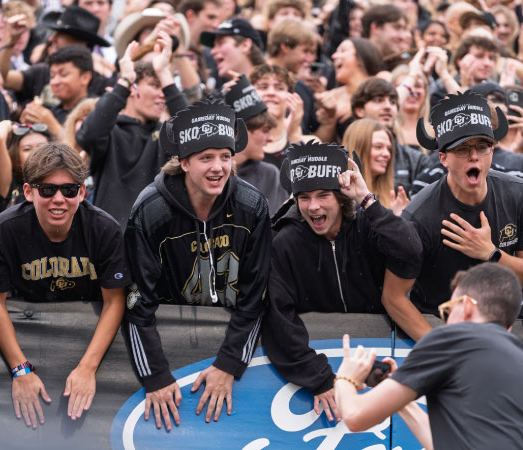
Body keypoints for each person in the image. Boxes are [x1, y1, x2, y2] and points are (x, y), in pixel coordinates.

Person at [123, 98, 271, 430]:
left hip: (233, 349)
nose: (218, 167)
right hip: (167, 345)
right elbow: (135, 302)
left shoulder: (252, 206)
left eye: (225, 157)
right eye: (206, 158)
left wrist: (230, 364)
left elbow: (256, 296)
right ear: (185, 163)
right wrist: (155, 376)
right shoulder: (150, 211)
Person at [261, 140, 423, 422]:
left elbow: (410, 250)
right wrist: (319, 378)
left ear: (340, 196)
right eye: (304, 198)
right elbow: (277, 317)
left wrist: (367, 200)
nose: (313, 207)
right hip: (319, 381)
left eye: (323, 195)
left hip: (382, 367)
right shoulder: (285, 242)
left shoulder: (366, 224)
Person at [334, 263, 523, 450]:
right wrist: (400, 401)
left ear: (466, 306)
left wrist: (346, 378)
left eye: (447, 311)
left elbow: (356, 417)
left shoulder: (455, 339)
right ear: (509, 327)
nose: (446, 322)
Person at [0, 142, 127, 429]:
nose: (58, 199)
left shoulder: (104, 229)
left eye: (69, 190)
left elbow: (116, 301)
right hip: (27, 328)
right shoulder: (4, 229)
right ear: (28, 192)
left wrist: (88, 368)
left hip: (89, 332)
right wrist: (20, 370)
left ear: (82, 193)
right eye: (47, 190)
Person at [402, 90, 523, 323]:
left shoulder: (518, 193)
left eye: (482, 146)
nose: (474, 156)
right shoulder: (418, 216)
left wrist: (491, 253)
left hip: (503, 325)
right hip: (439, 324)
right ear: (443, 158)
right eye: (462, 149)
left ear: (493, 151)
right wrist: (438, 343)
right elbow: (394, 297)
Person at [76, 34, 188, 228]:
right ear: (133, 89)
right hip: (114, 241)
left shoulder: (167, 134)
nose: (164, 95)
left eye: (165, 87)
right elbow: (89, 134)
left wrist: (164, 73)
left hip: (158, 242)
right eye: (155, 85)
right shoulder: (111, 132)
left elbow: (194, 132)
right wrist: (125, 80)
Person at [351, 77, 430, 196]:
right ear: (360, 110)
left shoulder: (417, 160)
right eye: (378, 100)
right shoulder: (339, 159)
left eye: (393, 102)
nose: (388, 106)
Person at [224, 73, 288, 214]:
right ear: (241, 131)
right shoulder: (212, 173)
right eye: (265, 130)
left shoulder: (269, 174)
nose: (270, 138)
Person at [342, 118, 408, 215]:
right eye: (378, 147)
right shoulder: (340, 195)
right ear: (359, 148)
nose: (387, 154)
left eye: (389, 149)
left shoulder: (395, 197)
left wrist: (399, 218)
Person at [0, 121, 52, 211]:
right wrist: (10, 124)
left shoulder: (63, 181)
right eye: (27, 149)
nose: (35, 153)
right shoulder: (9, 184)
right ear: (16, 155)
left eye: (41, 147)